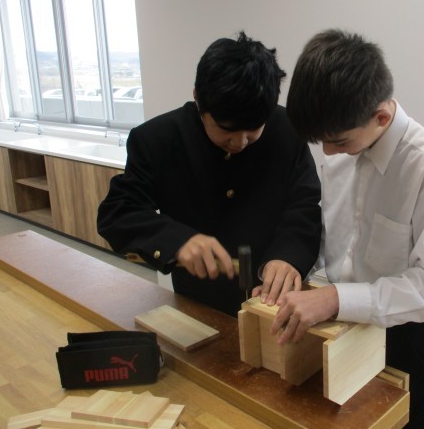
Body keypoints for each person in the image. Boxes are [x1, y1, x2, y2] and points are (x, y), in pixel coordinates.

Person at [274, 29, 424, 429]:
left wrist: (335, 299)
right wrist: (298, 270)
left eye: (338, 141)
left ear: (381, 117)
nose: (329, 153)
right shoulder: (341, 146)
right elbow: (334, 238)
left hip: (409, 338)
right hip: (342, 326)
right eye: (322, 142)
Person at [97, 32, 322, 317]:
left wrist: (289, 255)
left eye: (253, 129)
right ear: (198, 99)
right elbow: (118, 213)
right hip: (198, 302)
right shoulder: (156, 140)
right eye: (227, 129)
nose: (240, 142)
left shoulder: (288, 129)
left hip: (272, 303)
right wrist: (177, 240)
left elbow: (304, 205)